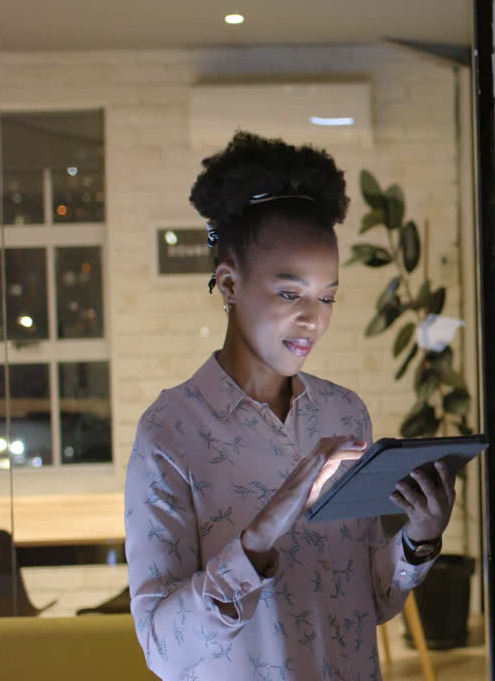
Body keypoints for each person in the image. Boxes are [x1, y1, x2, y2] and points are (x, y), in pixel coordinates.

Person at [125, 131, 455, 680]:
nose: (313, 319)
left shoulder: (344, 413)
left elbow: (368, 603)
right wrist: (256, 541)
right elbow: (163, 652)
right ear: (229, 283)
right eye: (289, 293)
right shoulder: (171, 432)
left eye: (327, 296)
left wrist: (419, 539)